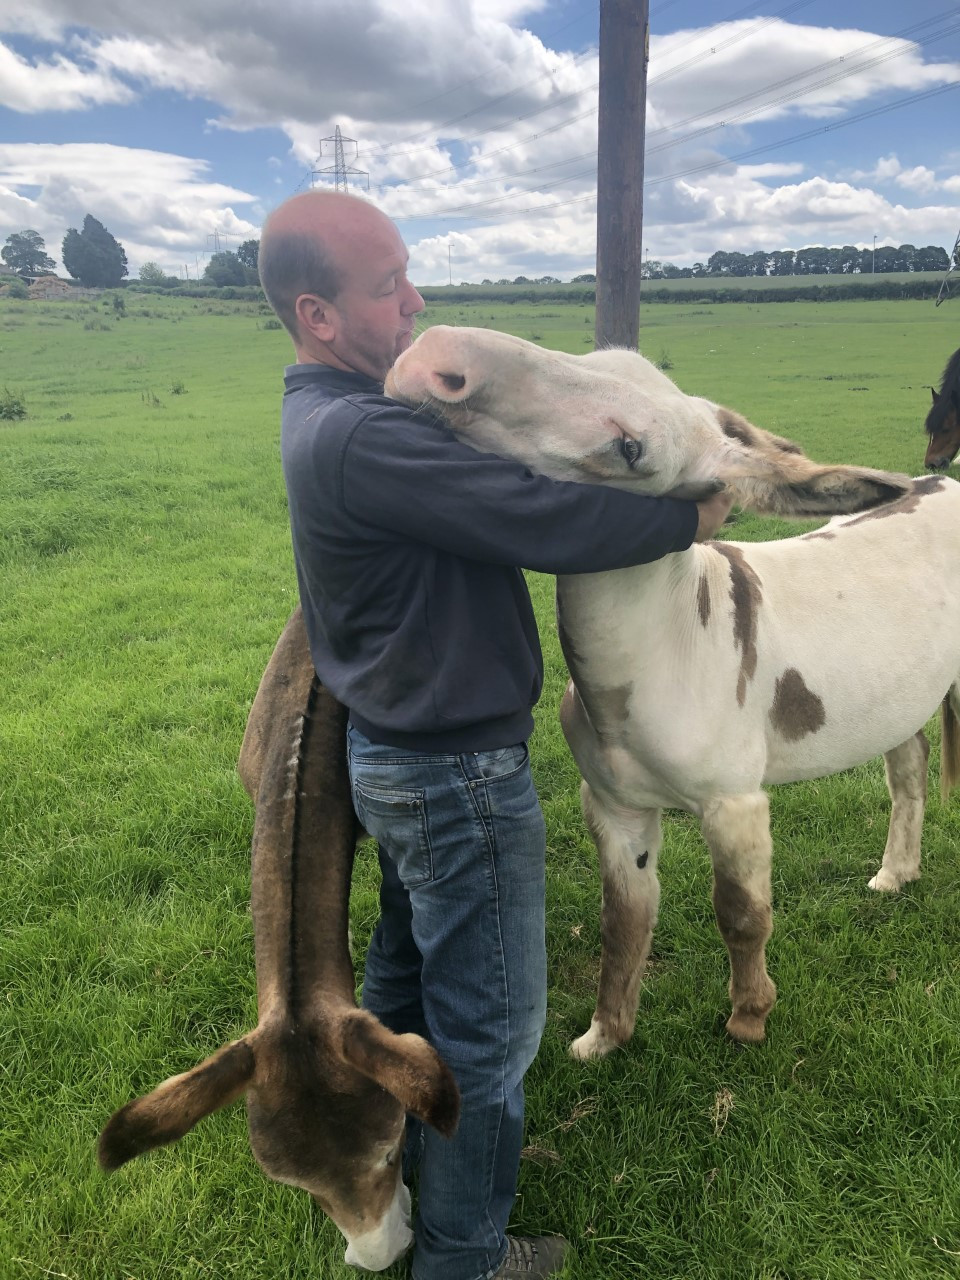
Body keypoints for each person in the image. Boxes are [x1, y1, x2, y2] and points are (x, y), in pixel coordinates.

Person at [258, 190, 732, 1280]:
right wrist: (685, 515)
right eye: (388, 287)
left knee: (409, 986)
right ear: (320, 317)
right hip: (457, 773)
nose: (415, 301)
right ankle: (466, 1257)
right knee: (492, 1032)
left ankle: (392, 1168)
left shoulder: (327, 418)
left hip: (399, 762)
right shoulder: (364, 436)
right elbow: (541, 516)